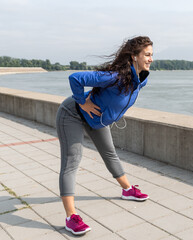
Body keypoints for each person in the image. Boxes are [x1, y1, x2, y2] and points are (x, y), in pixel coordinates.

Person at [55, 36, 153, 235]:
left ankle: (127, 190)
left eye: (152, 55)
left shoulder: (139, 80)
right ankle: (70, 217)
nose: (151, 59)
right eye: (147, 55)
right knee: (72, 160)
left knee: (110, 153)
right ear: (134, 56)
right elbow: (75, 78)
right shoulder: (115, 76)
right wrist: (82, 101)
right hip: (72, 113)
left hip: (97, 120)